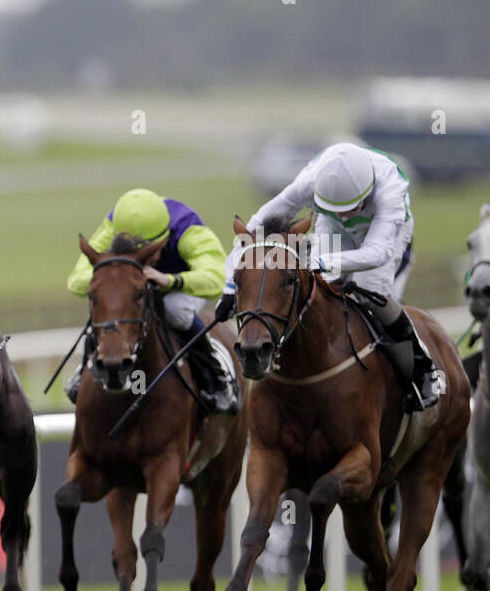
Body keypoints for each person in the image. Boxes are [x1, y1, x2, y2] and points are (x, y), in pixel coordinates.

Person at [218, 142, 440, 411]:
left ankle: (423, 367)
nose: (343, 214)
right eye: (334, 206)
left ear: (366, 193)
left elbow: (376, 252)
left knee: (370, 291)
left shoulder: (390, 191)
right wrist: (230, 285)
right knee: (319, 286)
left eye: (348, 207)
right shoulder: (311, 181)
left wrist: (322, 261)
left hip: (382, 235)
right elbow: (251, 231)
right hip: (330, 228)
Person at [65, 188, 236, 414]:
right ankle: (83, 369)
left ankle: (216, 377)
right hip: (136, 289)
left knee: (174, 309)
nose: (141, 260)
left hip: (182, 286)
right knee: (109, 303)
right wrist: (116, 282)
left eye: (147, 253)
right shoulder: (114, 224)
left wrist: (170, 280)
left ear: (164, 237)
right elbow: (77, 281)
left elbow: (217, 278)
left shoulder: (188, 227)